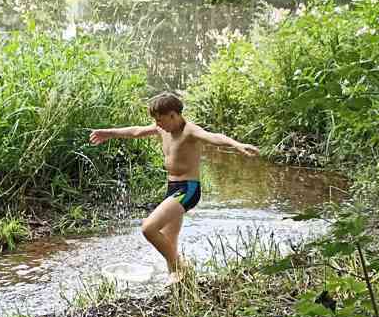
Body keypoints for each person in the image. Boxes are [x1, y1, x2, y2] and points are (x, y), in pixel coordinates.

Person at [89, 92, 260, 284]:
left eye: (160, 120)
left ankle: (181, 267)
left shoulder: (190, 131)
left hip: (188, 189)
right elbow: (136, 131)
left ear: (173, 115)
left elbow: (214, 137)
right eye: (155, 120)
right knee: (169, 239)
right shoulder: (163, 129)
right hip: (172, 187)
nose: (157, 124)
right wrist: (108, 133)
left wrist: (237, 145)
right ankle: (177, 280)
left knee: (148, 228)